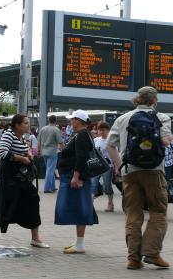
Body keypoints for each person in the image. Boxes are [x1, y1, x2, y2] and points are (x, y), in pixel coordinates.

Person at [106, 86, 171, 270]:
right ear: (154, 101)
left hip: (130, 172)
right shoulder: (161, 117)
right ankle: (152, 253)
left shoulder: (122, 118)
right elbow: (165, 141)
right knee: (158, 211)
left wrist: (119, 166)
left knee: (133, 214)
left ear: (137, 100)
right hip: (154, 171)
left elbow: (110, 145)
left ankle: (133, 259)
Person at [0, 114, 49, 248]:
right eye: (25, 123)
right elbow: (3, 153)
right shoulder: (8, 134)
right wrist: (22, 159)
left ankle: (35, 238)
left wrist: (28, 154)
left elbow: (22, 150)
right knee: (1, 202)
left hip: (20, 176)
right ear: (17, 125)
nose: (28, 125)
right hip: (9, 176)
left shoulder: (22, 137)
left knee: (32, 199)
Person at [55, 109, 98, 254]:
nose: (70, 122)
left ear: (78, 121)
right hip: (75, 176)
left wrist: (76, 177)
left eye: (72, 120)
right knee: (79, 207)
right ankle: (78, 242)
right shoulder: (83, 135)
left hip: (75, 177)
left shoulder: (82, 135)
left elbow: (81, 157)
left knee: (80, 208)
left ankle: (80, 244)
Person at [91, 121, 115, 212]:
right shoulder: (96, 140)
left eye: (103, 130)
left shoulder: (111, 140)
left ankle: (110, 203)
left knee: (107, 185)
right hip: (96, 166)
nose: (101, 132)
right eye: (99, 130)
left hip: (108, 166)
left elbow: (114, 155)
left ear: (108, 130)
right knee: (93, 184)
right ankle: (90, 204)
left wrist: (117, 167)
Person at [38, 115, 64, 193]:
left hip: (44, 152)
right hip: (52, 152)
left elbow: (39, 141)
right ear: (55, 121)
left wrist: (39, 151)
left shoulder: (43, 129)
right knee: (50, 170)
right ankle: (47, 188)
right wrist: (64, 150)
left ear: (48, 120)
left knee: (49, 169)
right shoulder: (56, 129)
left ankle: (52, 186)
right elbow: (60, 142)